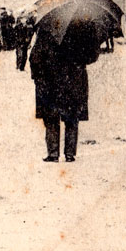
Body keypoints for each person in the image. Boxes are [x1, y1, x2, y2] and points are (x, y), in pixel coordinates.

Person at [30, 12, 104, 163]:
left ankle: (53, 153)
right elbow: (93, 56)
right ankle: (70, 154)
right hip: (74, 81)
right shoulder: (83, 30)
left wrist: (38, 77)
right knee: (72, 117)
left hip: (50, 82)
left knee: (51, 117)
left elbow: (35, 57)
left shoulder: (46, 29)